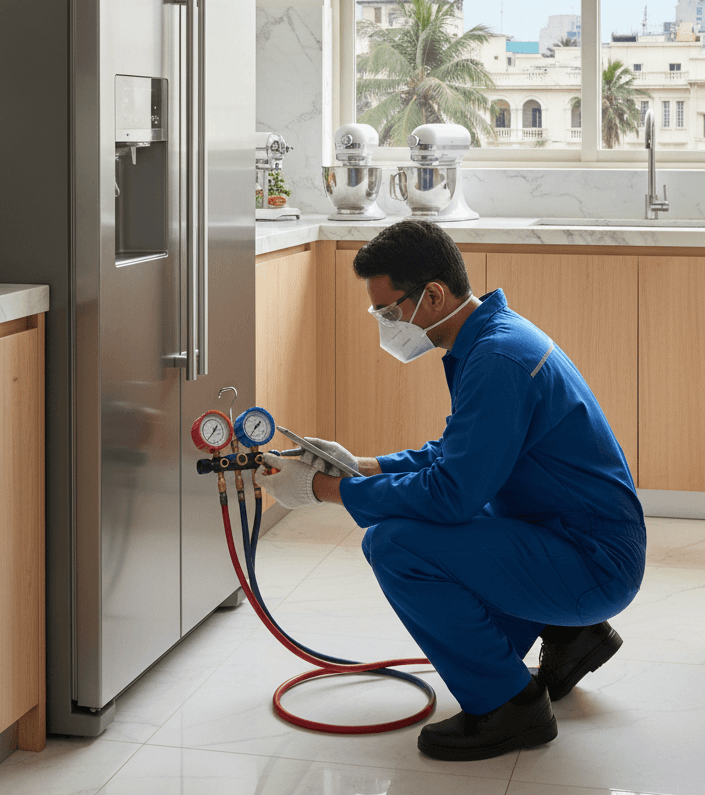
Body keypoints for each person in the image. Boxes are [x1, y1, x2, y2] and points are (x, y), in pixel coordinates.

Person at [255, 220, 646, 762]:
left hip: (594, 563)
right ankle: (570, 634)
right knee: (449, 521)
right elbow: (455, 453)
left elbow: (450, 495)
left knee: (396, 544)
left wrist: (323, 490)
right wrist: (361, 466)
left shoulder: (496, 360)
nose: (387, 324)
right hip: (575, 537)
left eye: (389, 312)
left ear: (433, 295)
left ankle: (511, 706)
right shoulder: (491, 338)